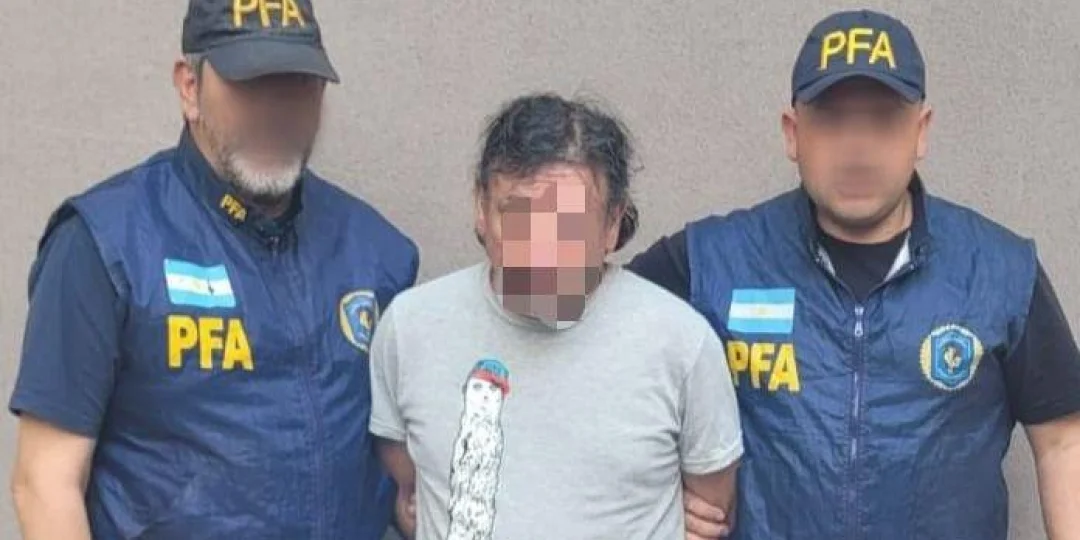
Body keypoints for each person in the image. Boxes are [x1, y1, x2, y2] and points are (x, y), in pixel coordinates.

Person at [629, 9, 1080, 540]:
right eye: (832, 119)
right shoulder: (713, 260)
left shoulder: (1000, 270)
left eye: (884, 120)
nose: (858, 147)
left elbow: (1064, 442)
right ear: (793, 133)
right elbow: (593, 347)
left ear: (920, 132)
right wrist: (653, 495)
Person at [8, 1, 418, 539]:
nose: (274, 109)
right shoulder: (104, 244)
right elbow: (44, 483)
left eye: (295, 84)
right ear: (189, 87)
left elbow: (404, 475)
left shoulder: (377, 252)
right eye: (250, 84)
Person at [369, 94, 743, 539]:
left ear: (612, 225)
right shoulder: (410, 329)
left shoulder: (681, 344)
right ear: (481, 209)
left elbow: (710, 509)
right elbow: (413, 486)